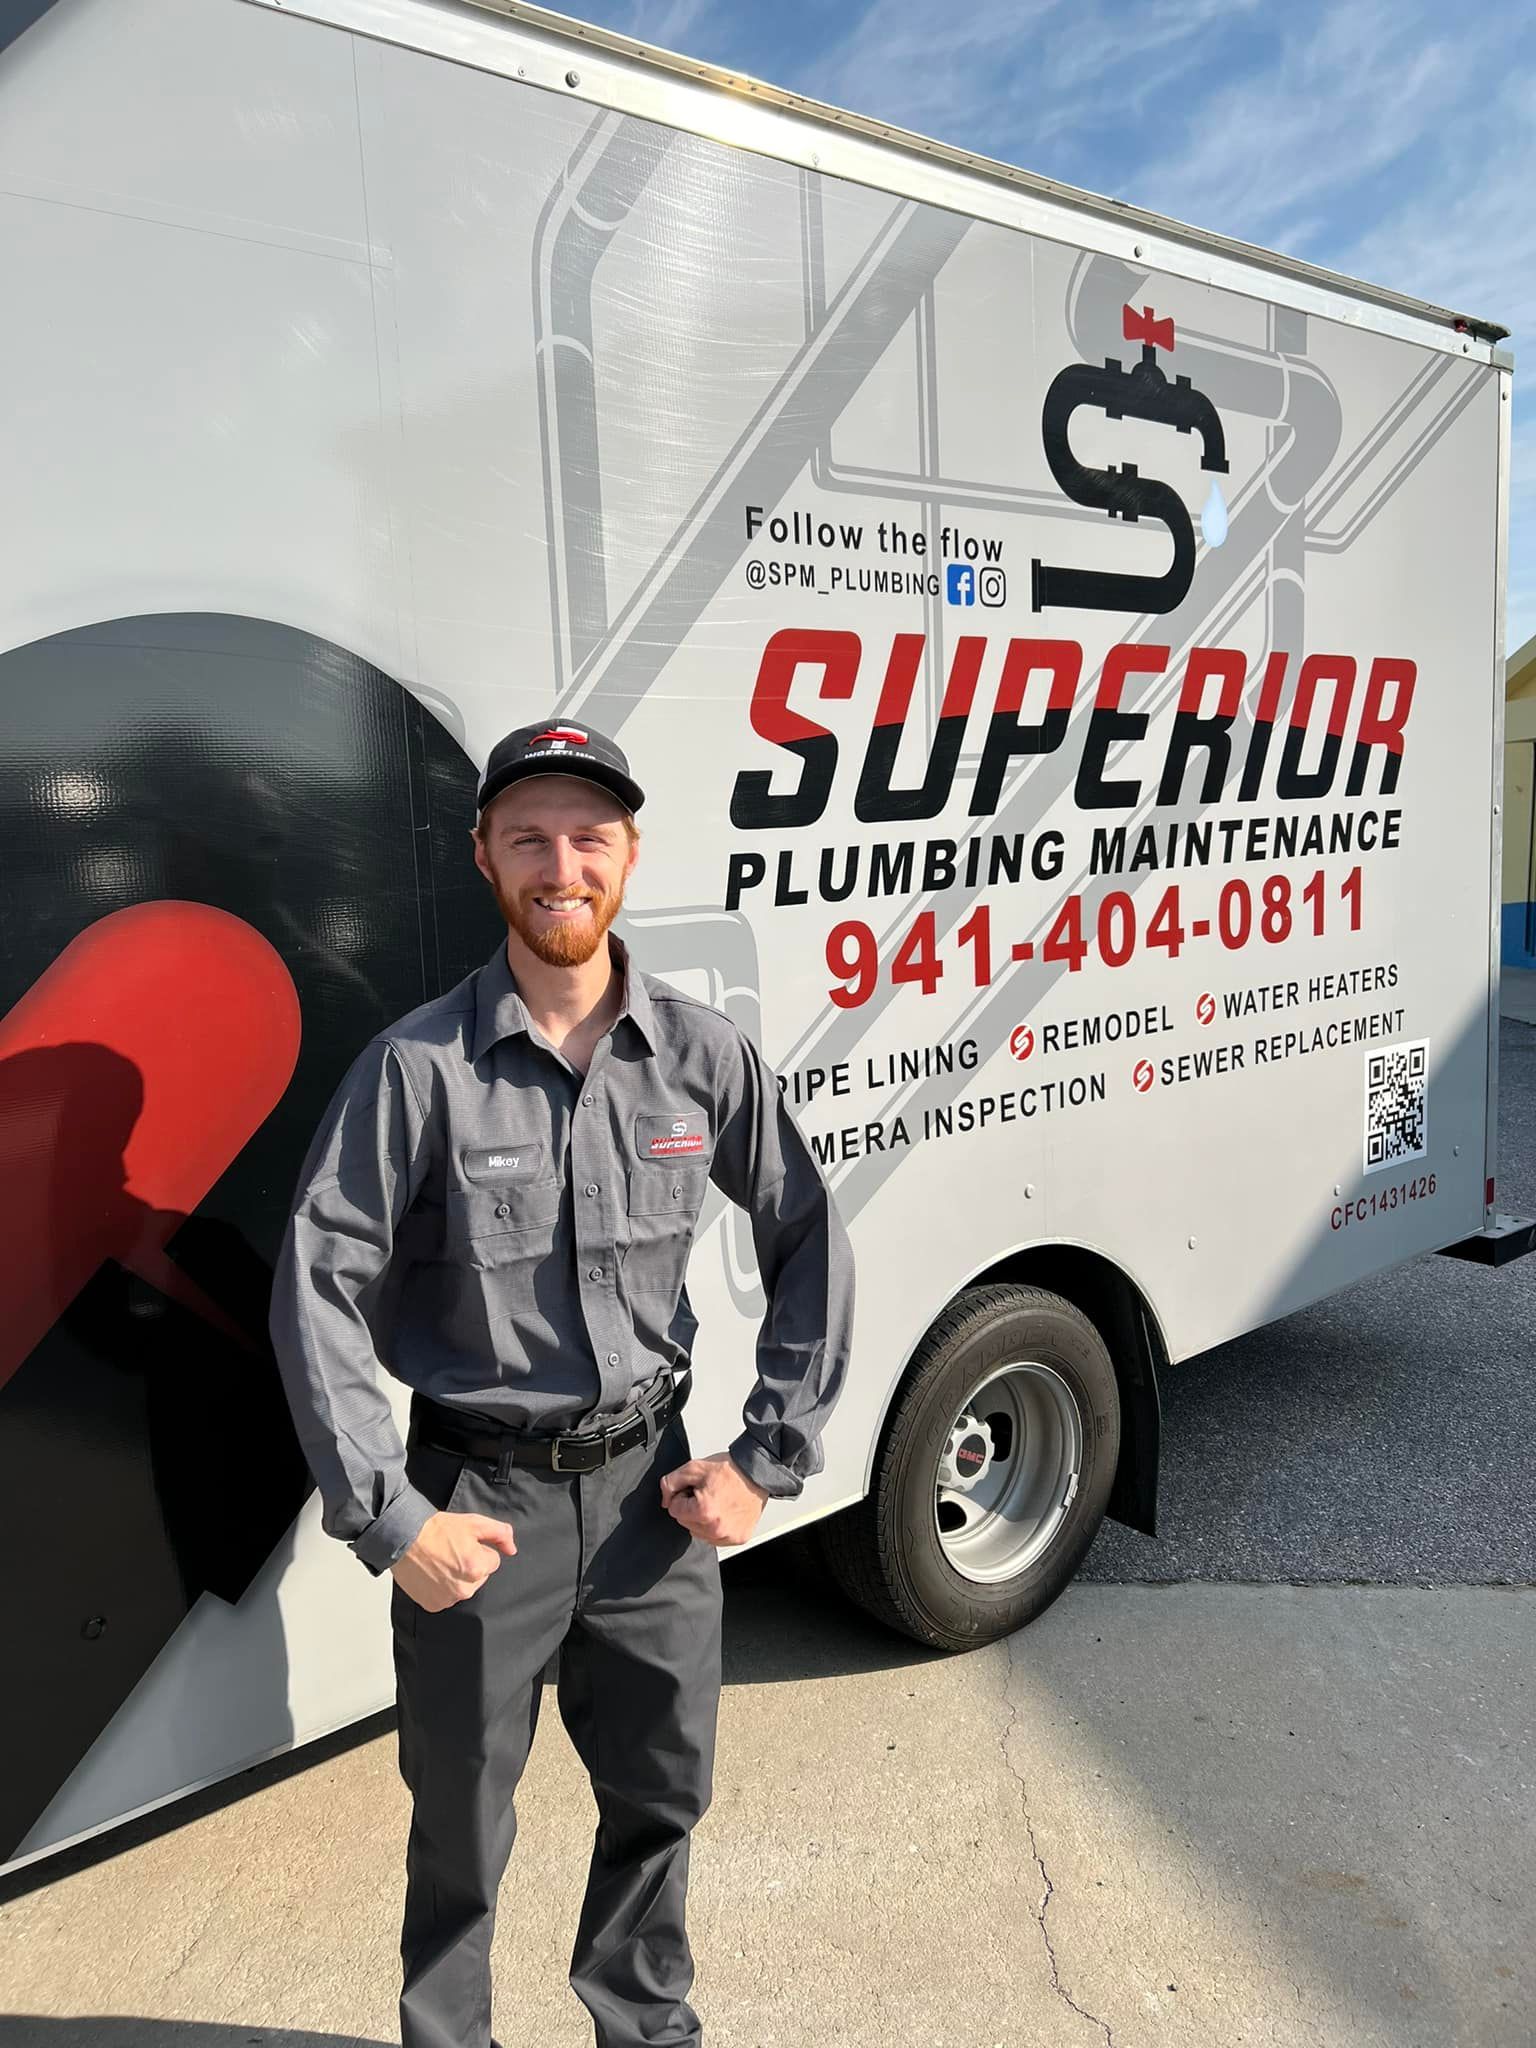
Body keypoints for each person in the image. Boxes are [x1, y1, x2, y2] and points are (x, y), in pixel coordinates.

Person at [269, 716, 854, 2048]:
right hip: (477, 1503)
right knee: (461, 1827)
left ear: (629, 855)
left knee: (661, 1801)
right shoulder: (416, 1071)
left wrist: (768, 1458)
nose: (561, 864)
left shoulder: (703, 1057)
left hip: (658, 1495)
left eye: (589, 835)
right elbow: (318, 1285)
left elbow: (808, 1233)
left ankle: (644, 2030)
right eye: (529, 835)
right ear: (486, 857)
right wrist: (389, 1517)